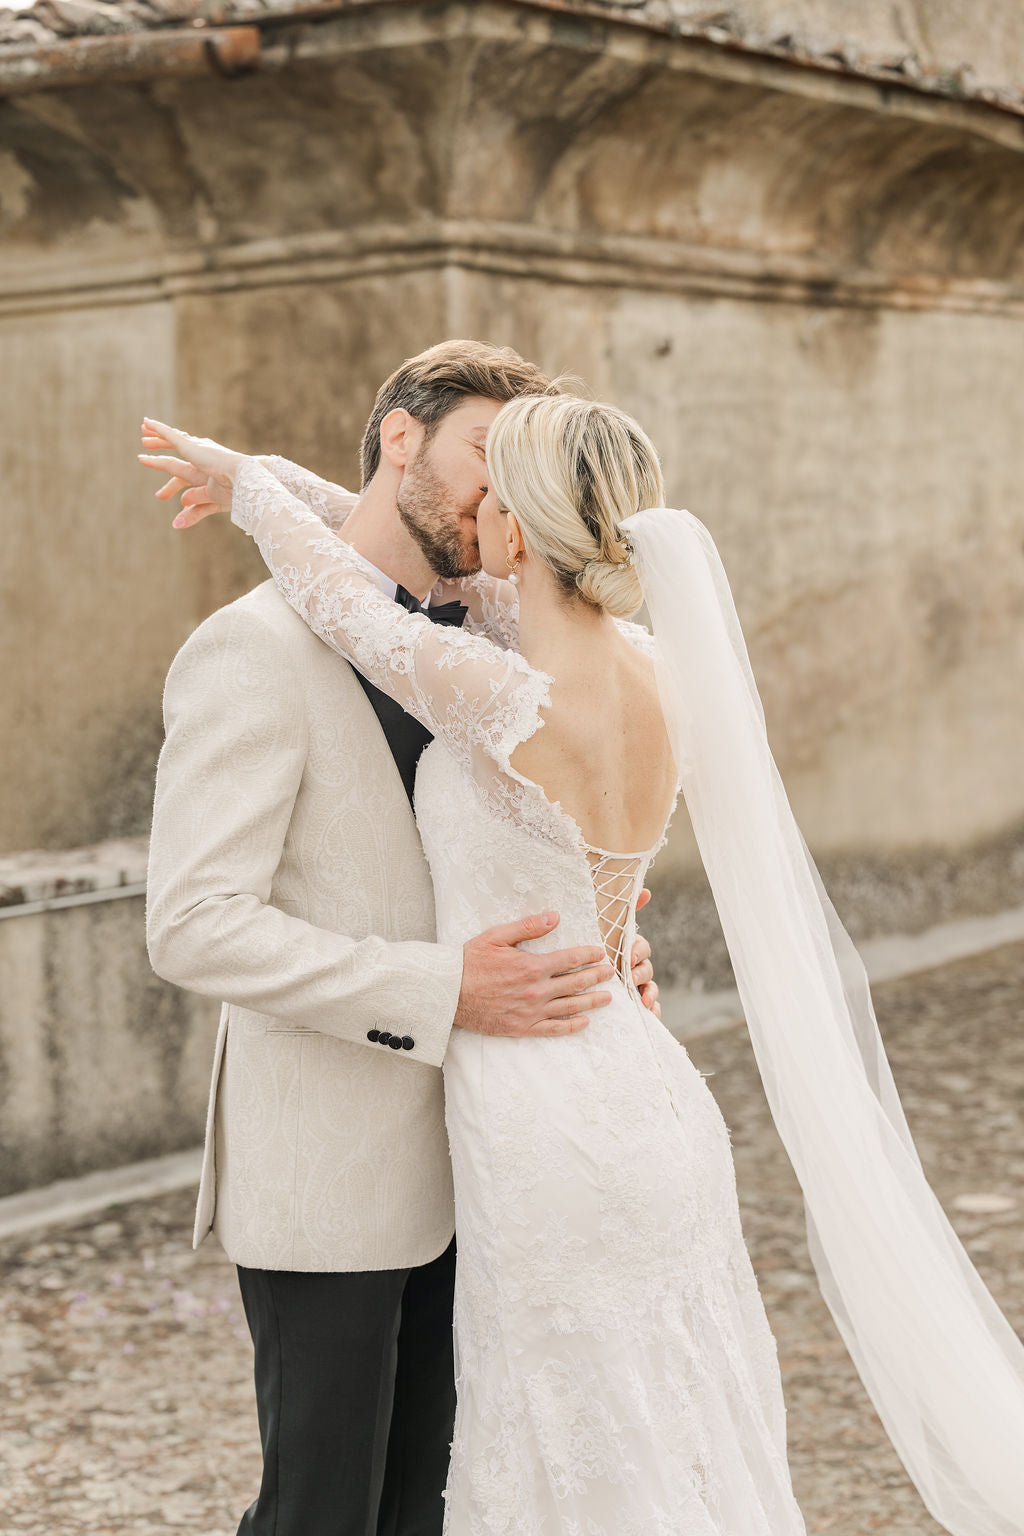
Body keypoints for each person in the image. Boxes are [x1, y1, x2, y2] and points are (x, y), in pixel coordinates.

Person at [142, 390, 1024, 1536]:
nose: (477, 502)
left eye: (496, 482)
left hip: (538, 1128)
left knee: (554, 1459)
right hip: (631, 1093)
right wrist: (592, 941)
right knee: (648, 1436)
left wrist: (247, 481)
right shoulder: (650, 667)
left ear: (518, 527)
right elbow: (199, 915)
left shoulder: (491, 682)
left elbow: (347, 598)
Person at [141, 343, 662, 1536]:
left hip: (499, 1156)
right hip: (332, 1170)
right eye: (485, 451)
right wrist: (444, 990)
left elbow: (546, 844)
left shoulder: (499, 642)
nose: (500, 490)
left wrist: (602, 945)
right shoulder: (252, 648)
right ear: (399, 438)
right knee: (321, 1513)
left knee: (435, 1507)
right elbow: (193, 924)